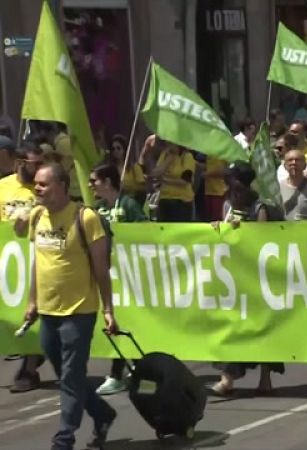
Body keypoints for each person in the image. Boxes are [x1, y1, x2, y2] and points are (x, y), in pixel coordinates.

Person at [21, 163, 119, 450]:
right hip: (48, 311)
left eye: (43, 184)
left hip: (79, 312)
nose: (37, 188)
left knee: (72, 375)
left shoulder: (85, 218)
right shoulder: (37, 215)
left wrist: (108, 310)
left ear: (62, 186)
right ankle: (102, 413)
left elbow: (101, 269)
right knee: (67, 376)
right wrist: (32, 300)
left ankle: (64, 439)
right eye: (36, 184)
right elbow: (38, 262)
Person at [211, 161, 286, 395]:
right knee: (232, 327)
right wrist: (218, 230)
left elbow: (261, 241)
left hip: (259, 279)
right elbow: (224, 235)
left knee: (264, 328)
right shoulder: (228, 205)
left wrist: (243, 229)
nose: (228, 185)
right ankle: (227, 379)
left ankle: (265, 379)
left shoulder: (259, 207)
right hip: (234, 278)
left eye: (232, 180)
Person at [88, 163, 146, 396]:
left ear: (108, 182)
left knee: (127, 320)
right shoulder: (96, 210)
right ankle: (122, 371)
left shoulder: (129, 204)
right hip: (107, 275)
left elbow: (145, 232)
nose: (90, 184)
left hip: (128, 274)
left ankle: (120, 372)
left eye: (94, 180)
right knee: (114, 321)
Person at [2, 142, 46, 393]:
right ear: (20, 163)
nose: (40, 169)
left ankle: (29, 370)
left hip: (35, 261)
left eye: (42, 163)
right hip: (7, 265)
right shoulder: (3, 187)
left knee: (34, 314)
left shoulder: (43, 189)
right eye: (35, 164)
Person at [142, 138, 196, 222]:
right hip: (165, 198)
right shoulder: (165, 154)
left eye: (170, 142)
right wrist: (168, 160)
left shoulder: (187, 157)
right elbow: (156, 173)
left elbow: (185, 182)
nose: (168, 144)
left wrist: (164, 180)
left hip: (182, 201)